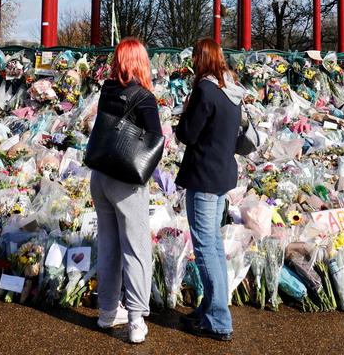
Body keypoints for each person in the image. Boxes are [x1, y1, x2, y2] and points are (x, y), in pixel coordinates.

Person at [89, 38, 162, 345]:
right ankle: (135, 320)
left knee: (108, 245)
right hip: (126, 181)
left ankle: (107, 312)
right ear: (140, 62)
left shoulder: (106, 90)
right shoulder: (144, 98)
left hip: (100, 176)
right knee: (135, 249)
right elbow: (156, 139)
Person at [175, 38, 241, 342]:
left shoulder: (205, 90)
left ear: (202, 59)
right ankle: (210, 308)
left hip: (203, 178)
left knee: (205, 248)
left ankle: (218, 320)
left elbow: (187, 134)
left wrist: (186, 110)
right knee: (213, 245)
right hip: (222, 176)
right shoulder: (231, 92)